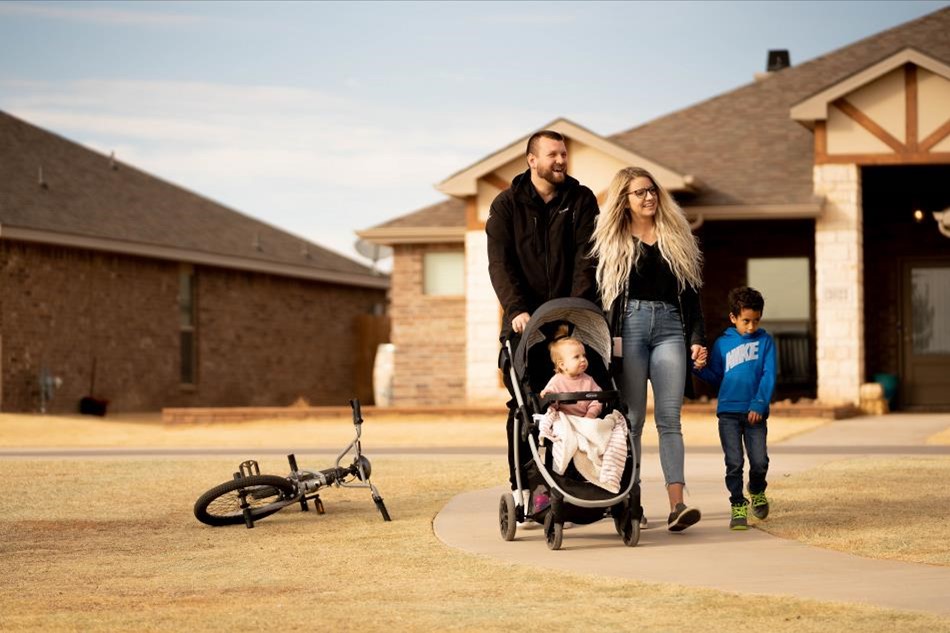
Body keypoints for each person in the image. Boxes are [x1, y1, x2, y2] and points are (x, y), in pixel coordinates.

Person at [486, 129, 600, 507]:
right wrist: (517, 309)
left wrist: (573, 311)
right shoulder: (506, 205)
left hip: (573, 322)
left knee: (588, 399)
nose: (561, 161)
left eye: (564, 154)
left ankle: (591, 484)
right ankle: (529, 488)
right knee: (527, 407)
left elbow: (588, 258)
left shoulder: (580, 200)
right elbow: (500, 264)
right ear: (532, 160)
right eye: (553, 154)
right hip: (523, 324)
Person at [590, 166, 707, 532]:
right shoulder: (612, 243)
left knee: (670, 420)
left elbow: (691, 296)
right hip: (630, 328)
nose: (649, 197)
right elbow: (599, 297)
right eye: (640, 192)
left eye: (652, 190)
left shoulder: (676, 236)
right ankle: (633, 502)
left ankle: (678, 505)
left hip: (672, 327)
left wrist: (697, 338)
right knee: (634, 420)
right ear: (624, 200)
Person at [693, 286, 776, 530]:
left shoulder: (765, 341)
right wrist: (698, 368)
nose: (751, 327)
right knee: (734, 462)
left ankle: (757, 489)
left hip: (755, 413)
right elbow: (719, 377)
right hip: (728, 413)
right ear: (733, 318)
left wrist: (759, 403)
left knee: (759, 462)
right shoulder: (722, 344)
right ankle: (738, 505)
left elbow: (768, 375)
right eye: (746, 321)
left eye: (756, 321)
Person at [540, 337, 603, 418]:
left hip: (586, 418)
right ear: (562, 365)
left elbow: (597, 400)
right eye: (577, 357)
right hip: (563, 419)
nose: (583, 359)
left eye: (584, 355)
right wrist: (547, 394)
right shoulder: (557, 381)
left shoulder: (588, 380)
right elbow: (551, 402)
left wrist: (591, 414)